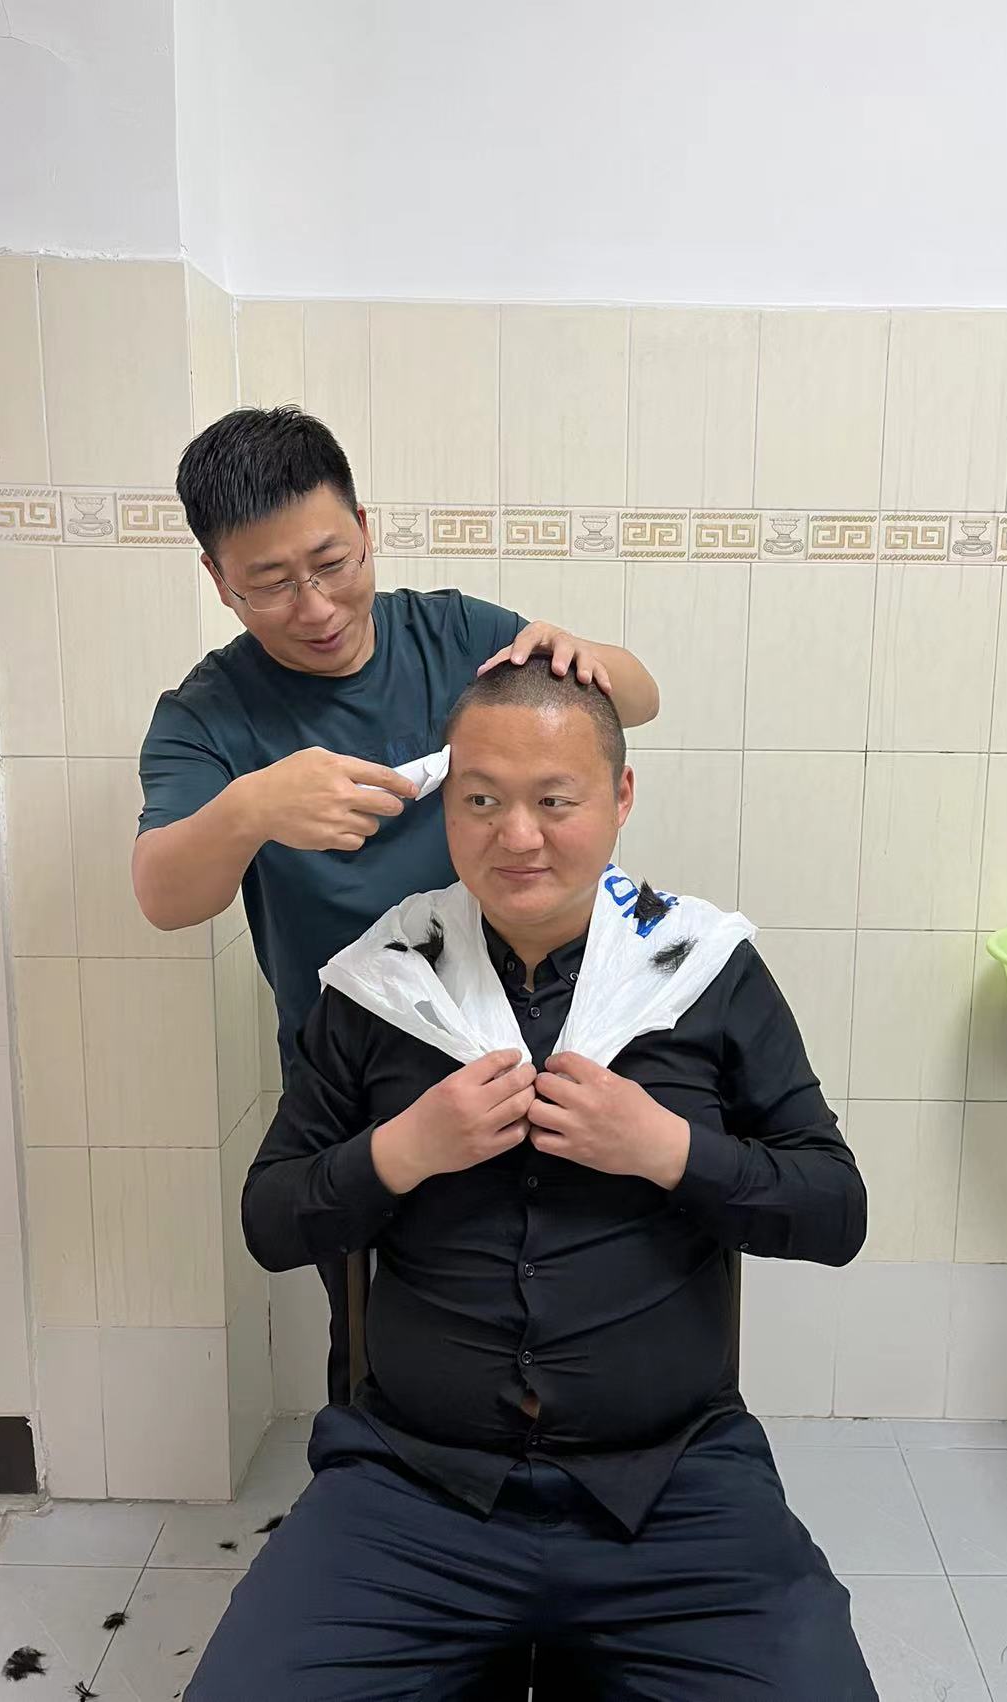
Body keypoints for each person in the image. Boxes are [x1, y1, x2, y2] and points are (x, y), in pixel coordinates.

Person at [186, 659, 875, 1701]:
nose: (518, 837)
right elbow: (271, 1222)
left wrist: (665, 1147)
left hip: (671, 1486)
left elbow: (835, 1211)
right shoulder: (385, 982)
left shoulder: (701, 970)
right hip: (413, 1485)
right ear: (447, 808)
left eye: (555, 801)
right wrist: (404, 1149)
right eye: (481, 802)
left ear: (620, 797)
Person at [133, 406, 660, 1401]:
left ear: (365, 528)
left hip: (530, 1039)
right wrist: (251, 809)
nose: (316, 606)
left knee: (549, 1309)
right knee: (384, 1335)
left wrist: (584, 650)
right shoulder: (210, 713)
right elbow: (164, 893)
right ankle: (379, 1476)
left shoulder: (456, 635)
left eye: (332, 562)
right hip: (357, 1076)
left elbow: (633, 701)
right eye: (270, 584)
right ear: (217, 579)